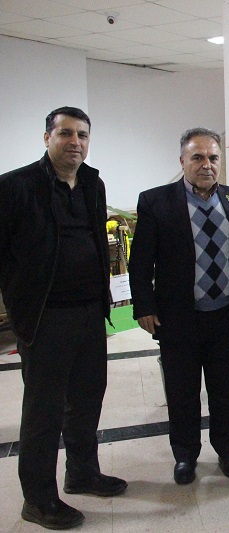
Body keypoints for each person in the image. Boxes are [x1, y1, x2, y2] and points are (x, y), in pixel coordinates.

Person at [0, 107, 127, 530]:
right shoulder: (15, 187)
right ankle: (38, 499)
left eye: (82, 135)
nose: (75, 142)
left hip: (89, 312)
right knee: (44, 411)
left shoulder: (92, 183)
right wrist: (17, 302)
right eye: (66, 133)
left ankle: (82, 473)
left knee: (87, 398)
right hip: (44, 318)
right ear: (47, 138)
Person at [128, 127, 229, 485]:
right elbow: (140, 261)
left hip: (225, 316)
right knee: (182, 392)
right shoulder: (156, 202)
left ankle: (228, 451)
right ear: (182, 160)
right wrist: (143, 305)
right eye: (197, 157)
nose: (206, 165)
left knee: (225, 391)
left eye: (213, 158)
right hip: (178, 319)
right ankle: (185, 455)